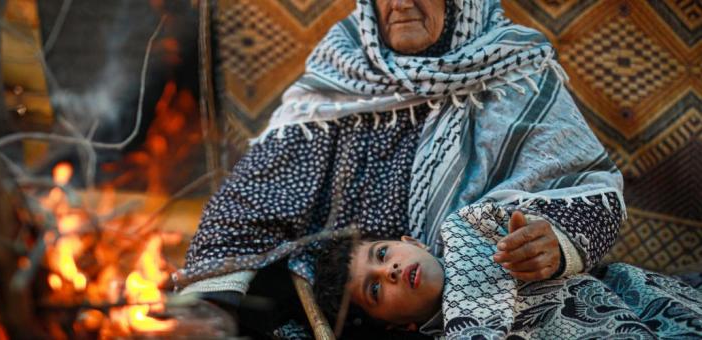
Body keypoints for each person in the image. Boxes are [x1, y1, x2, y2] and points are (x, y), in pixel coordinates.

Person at [174, 0, 626, 336]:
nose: (402, 3)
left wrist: (556, 240)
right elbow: (251, 200)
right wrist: (212, 304)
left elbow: (590, 187)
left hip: (516, 302)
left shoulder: (519, 72)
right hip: (370, 321)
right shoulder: (340, 78)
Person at [315, 208, 702, 338]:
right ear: (398, 328)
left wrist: (554, 241)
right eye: (375, 289)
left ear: (414, 241)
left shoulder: (475, 228)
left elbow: (588, 209)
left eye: (382, 254)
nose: (391, 271)